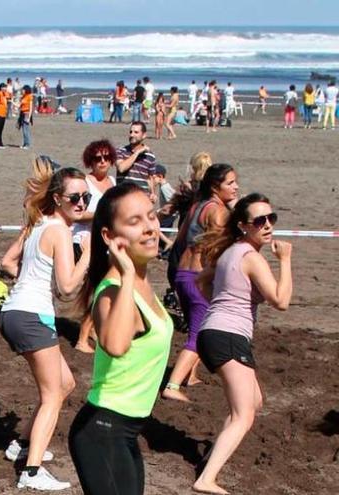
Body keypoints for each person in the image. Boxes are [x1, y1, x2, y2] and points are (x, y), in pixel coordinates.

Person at [68, 182, 173, 495]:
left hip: (124, 432)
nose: (149, 228)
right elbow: (115, 345)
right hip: (102, 431)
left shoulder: (140, 282)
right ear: (109, 237)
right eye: (134, 222)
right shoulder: (113, 291)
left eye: (151, 217)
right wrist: (126, 274)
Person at [191, 193, 293, 495]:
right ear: (242, 226)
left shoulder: (230, 253)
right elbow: (281, 301)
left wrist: (220, 308)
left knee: (254, 401)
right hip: (228, 337)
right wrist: (285, 261)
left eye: (271, 218)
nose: (267, 225)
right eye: (259, 220)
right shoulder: (251, 258)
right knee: (244, 414)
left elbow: (202, 281)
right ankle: (206, 480)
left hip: (216, 333)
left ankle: (212, 456)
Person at [0, 161, 90, 491]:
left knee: (64, 384)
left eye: (86, 198)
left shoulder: (38, 224)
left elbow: (8, 262)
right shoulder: (59, 232)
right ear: (57, 198)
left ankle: (21, 445)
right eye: (75, 198)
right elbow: (67, 288)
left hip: (17, 311)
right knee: (53, 394)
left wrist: (28, 281)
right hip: (32, 315)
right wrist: (88, 256)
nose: (81, 204)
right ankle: (32, 471)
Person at [162, 164, 238, 402]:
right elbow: (219, 249)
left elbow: (180, 241)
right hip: (198, 279)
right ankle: (172, 385)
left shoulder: (197, 205)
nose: (236, 187)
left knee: (197, 329)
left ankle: (189, 375)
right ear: (216, 186)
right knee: (198, 335)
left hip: (182, 275)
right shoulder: (218, 212)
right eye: (230, 183)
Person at [72, 140, 117, 353]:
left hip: (106, 244)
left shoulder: (113, 182)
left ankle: (92, 330)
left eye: (107, 158)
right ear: (90, 160)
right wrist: (101, 214)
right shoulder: (84, 183)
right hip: (84, 241)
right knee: (97, 289)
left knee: (105, 289)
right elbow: (77, 214)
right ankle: (82, 338)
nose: (102, 162)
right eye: (98, 158)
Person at [115, 121, 157, 198]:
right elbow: (121, 168)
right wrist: (137, 153)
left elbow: (150, 178)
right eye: (131, 132)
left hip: (142, 199)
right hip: (123, 197)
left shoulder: (150, 156)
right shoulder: (120, 151)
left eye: (136, 132)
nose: (132, 135)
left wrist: (153, 193)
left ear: (144, 135)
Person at [18, 85, 34, 149]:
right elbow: (19, 105)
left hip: (27, 114)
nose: (22, 91)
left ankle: (27, 144)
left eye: (23, 90)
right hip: (22, 114)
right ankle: (24, 144)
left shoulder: (29, 96)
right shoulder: (23, 97)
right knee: (23, 130)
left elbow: (30, 108)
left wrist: (29, 117)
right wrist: (12, 102)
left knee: (26, 130)